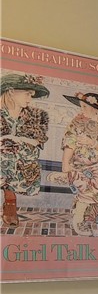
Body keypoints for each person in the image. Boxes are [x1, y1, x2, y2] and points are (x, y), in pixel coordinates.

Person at [53, 91, 98, 236]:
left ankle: (74, 179)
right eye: (81, 107)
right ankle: (78, 217)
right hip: (82, 164)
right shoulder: (77, 123)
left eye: (85, 107)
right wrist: (65, 165)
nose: (81, 110)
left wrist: (93, 143)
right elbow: (69, 144)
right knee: (90, 186)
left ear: (96, 109)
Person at [0, 73, 51, 227]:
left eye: (32, 95)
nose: (30, 98)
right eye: (27, 93)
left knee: (8, 154)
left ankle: (10, 200)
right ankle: (10, 201)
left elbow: (38, 141)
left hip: (24, 158)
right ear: (11, 92)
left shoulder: (38, 115)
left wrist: (17, 139)